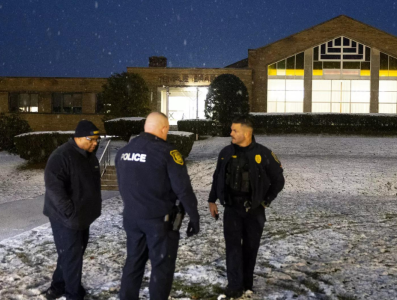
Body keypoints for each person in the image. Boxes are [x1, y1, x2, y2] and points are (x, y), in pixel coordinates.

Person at [116, 112, 200, 300]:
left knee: (133, 263)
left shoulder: (124, 152)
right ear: (164, 129)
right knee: (161, 267)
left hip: (132, 218)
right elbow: (183, 189)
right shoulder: (167, 152)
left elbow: (123, 184)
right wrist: (194, 217)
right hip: (159, 222)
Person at [208, 116, 285, 298]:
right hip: (232, 209)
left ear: (247, 133)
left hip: (255, 210)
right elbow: (217, 176)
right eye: (231, 130)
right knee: (233, 248)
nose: (231, 133)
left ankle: (247, 284)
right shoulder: (225, 152)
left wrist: (266, 201)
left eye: (235, 130)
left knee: (251, 247)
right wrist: (212, 200)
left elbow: (278, 180)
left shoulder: (264, 154)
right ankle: (234, 286)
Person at [42, 120, 103, 300]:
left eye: (97, 139)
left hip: (82, 216)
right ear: (78, 137)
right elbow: (54, 188)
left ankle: (57, 286)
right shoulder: (61, 156)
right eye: (91, 139)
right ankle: (73, 294)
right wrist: (69, 212)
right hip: (66, 218)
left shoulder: (88, 155)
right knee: (72, 256)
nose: (95, 143)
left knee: (71, 253)